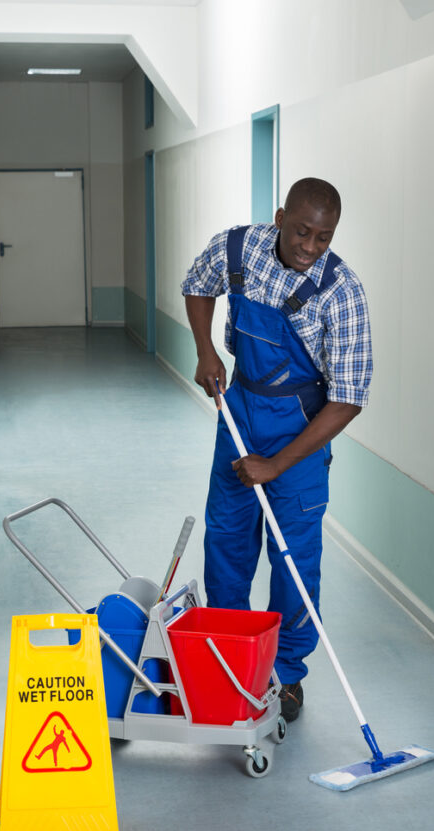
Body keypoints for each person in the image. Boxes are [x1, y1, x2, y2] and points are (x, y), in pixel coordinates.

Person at [181, 178, 372, 722]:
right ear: (280, 215)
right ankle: (228, 659)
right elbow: (197, 284)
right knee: (228, 547)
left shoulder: (342, 292)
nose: (311, 248)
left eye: (324, 238)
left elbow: (349, 399)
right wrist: (206, 351)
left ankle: (285, 673)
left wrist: (277, 465)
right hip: (240, 411)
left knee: (293, 561)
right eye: (302, 232)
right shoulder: (237, 248)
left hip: (304, 430)